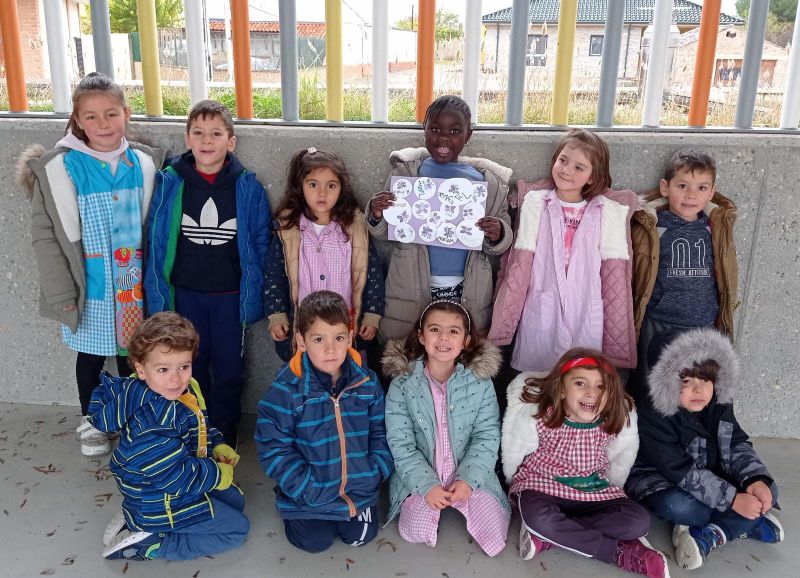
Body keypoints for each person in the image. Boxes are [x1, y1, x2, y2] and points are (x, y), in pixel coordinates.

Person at [16, 72, 162, 456]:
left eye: (111, 114)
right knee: (92, 357)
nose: (103, 124)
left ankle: (133, 418)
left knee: (132, 356)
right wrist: (61, 292)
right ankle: (93, 420)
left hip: (133, 287)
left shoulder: (143, 163)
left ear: (126, 113)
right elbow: (46, 238)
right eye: (91, 116)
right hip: (89, 289)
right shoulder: (62, 168)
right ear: (78, 120)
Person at [144, 99, 270, 448]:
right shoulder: (170, 182)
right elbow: (156, 238)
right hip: (185, 295)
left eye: (216, 133)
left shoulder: (247, 186)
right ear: (187, 139)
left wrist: (256, 289)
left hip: (231, 297)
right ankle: (192, 427)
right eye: (198, 133)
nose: (206, 140)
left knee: (229, 367)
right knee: (189, 365)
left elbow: (261, 240)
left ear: (231, 142)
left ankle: (224, 429)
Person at [88, 312, 249, 561]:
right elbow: (175, 477)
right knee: (237, 529)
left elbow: (200, 424)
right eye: (163, 369)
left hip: (167, 484)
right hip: (162, 498)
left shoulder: (184, 389)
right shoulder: (153, 421)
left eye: (184, 366)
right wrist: (217, 474)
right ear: (141, 369)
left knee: (236, 502)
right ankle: (152, 543)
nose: (176, 378)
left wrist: (217, 444)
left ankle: (135, 518)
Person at [625, 328, 783, 570]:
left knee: (769, 491)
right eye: (686, 381)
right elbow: (678, 470)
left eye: (705, 379)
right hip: (661, 479)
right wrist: (732, 500)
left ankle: (716, 530)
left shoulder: (718, 402)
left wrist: (755, 480)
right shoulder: (653, 413)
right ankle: (742, 522)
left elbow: (735, 444)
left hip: (709, 471)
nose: (699, 390)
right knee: (680, 507)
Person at [502, 349, 668, 577]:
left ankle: (554, 537)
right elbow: (518, 448)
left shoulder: (610, 421)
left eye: (600, 387)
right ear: (561, 389)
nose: (592, 393)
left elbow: (620, 456)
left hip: (592, 490)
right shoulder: (543, 416)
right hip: (543, 486)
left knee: (639, 522)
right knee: (539, 518)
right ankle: (617, 552)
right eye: (580, 383)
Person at [488, 129, 637, 378]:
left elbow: (613, 279)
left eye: (579, 167)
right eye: (563, 160)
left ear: (592, 176)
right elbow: (518, 266)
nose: (567, 170)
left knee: (581, 378)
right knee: (534, 379)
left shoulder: (603, 212)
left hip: (585, 310)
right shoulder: (538, 205)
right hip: (542, 304)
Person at [255, 291, 393, 553]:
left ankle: (349, 505)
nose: (330, 349)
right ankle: (295, 503)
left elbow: (381, 431)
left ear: (350, 338)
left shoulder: (367, 383)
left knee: (361, 536)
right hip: (310, 491)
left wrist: (374, 471)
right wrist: (303, 485)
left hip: (358, 488)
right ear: (301, 341)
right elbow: (273, 447)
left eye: (338, 338)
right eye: (318, 339)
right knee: (314, 542)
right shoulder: (285, 391)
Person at [367, 95, 512, 342]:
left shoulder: (487, 183)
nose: (443, 138)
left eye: (455, 131)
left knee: (458, 349)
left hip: (467, 289)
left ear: (468, 135)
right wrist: (377, 213)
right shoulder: (407, 174)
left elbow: (502, 237)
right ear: (424, 130)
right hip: (411, 286)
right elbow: (384, 232)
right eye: (435, 129)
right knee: (409, 348)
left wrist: (498, 232)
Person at [383, 300, 510, 556]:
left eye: (453, 331)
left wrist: (468, 480)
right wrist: (426, 485)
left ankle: (472, 489)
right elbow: (401, 442)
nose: (443, 338)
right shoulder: (403, 384)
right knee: (414, 530)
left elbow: (486, 435)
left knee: (495, 534)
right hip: (422, 472)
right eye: (434, 330)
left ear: (465, 340)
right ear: (421, 336)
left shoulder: (480, 382)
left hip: (469, 470)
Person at [629, 150, 737, 399]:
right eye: (682, 185)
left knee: (698, 388)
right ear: (665, 187)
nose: (691, 195)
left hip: (703, 324)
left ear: (711, 192)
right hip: (659, 322)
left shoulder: (714, 227)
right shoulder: (652, 225)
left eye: (701, 188)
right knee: (652, 387)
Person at [265, 148, 383, 363]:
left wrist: (372, 315)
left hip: (345, 327)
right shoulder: (288, 230)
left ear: (341, 188)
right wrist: (277, 315)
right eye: (313, 185)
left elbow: (371, 274)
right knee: (307, 376)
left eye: (331, 185)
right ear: (300, 186)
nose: (322, 193)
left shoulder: (355, 227)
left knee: (348, 374)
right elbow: (275, 276)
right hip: (305, 328)